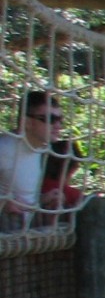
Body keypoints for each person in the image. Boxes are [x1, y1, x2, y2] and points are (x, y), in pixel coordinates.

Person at [0, 89, 59, 230]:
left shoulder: (38, 149)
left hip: (22, 238)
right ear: (27, 122)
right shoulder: (4, 148)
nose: (57, 126)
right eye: (49, 119)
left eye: (59, 119)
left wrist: (44, 198)